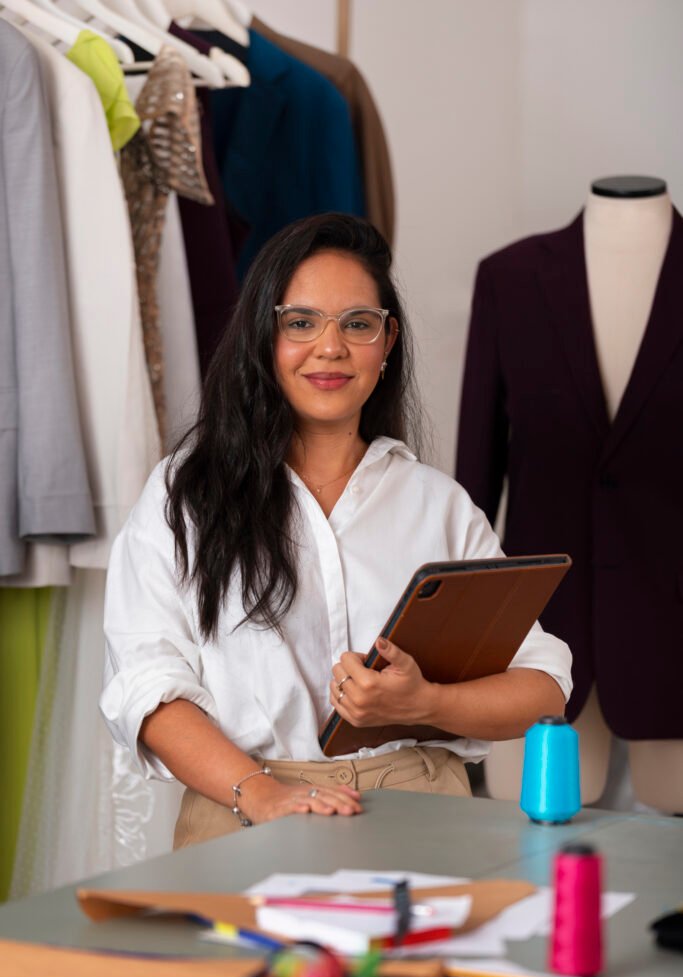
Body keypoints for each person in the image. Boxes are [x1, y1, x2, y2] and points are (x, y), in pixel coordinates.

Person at [101, 213, 572, 848]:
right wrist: (261, 793)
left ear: (388, 340)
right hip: (243, 812)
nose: (331, 347)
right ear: (263, 335)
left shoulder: (440, 505)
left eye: (357, 323)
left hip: (425, 814)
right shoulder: (183, 496)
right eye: (300, 322)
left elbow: (543, 690)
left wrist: (425, 703)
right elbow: (146, 686)